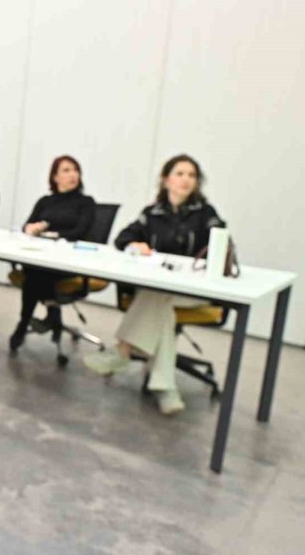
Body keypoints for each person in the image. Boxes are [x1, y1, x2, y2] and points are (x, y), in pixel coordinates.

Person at [84, 154, 226, 414]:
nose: (186, 180)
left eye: (191, 175)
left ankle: (123, 350)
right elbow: (122, 238)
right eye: (180, 174)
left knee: (158, 295)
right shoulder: (152, 213)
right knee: (164, 309)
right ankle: (165, 387)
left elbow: (222, 246)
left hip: (193, 291)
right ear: (166, 179)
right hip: (162, 295)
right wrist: (134, 244)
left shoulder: (206, 214)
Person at [9, 155, 96, 351]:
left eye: (75, 170)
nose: (73, 174)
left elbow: (80, 232)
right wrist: (31, 228)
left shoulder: (85, 202)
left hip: (68, 261)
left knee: (35, 275)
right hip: (41, 256)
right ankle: (52, 311)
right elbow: (27, 225)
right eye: (66, 170)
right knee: (36, 269)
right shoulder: (45, 201)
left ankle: (24, 323)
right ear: (55, 177)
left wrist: (51, 234)